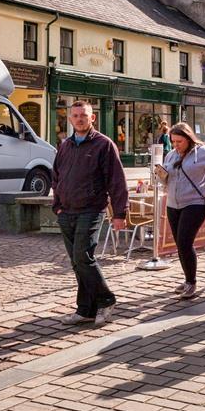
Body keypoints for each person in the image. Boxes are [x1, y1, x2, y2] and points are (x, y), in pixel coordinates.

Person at [51, 100, 128, 328]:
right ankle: (85, 309)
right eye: (75, 116)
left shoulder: (104, 145)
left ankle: (106, 300)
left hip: (91, 209)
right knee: (77, 262)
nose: (79, 119)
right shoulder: (65, 146)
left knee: (83, 257)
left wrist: (119, 214)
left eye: (83, 115)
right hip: (67, 211)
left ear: (92, 118)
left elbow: (117, 182)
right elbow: (56, 177)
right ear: (70, 119)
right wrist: (57, 205)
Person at [156, 122, 205, 299]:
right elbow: (168, 177)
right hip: (173, 203)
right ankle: (187, 279)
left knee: (185, 242)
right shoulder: (171, 155)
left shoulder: (202, 153)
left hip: (195, 203)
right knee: (180, 245)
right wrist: (161, 176)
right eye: (173, 141)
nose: (176, 145)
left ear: (188, 139)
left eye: (179, 141)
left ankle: (191, 282)